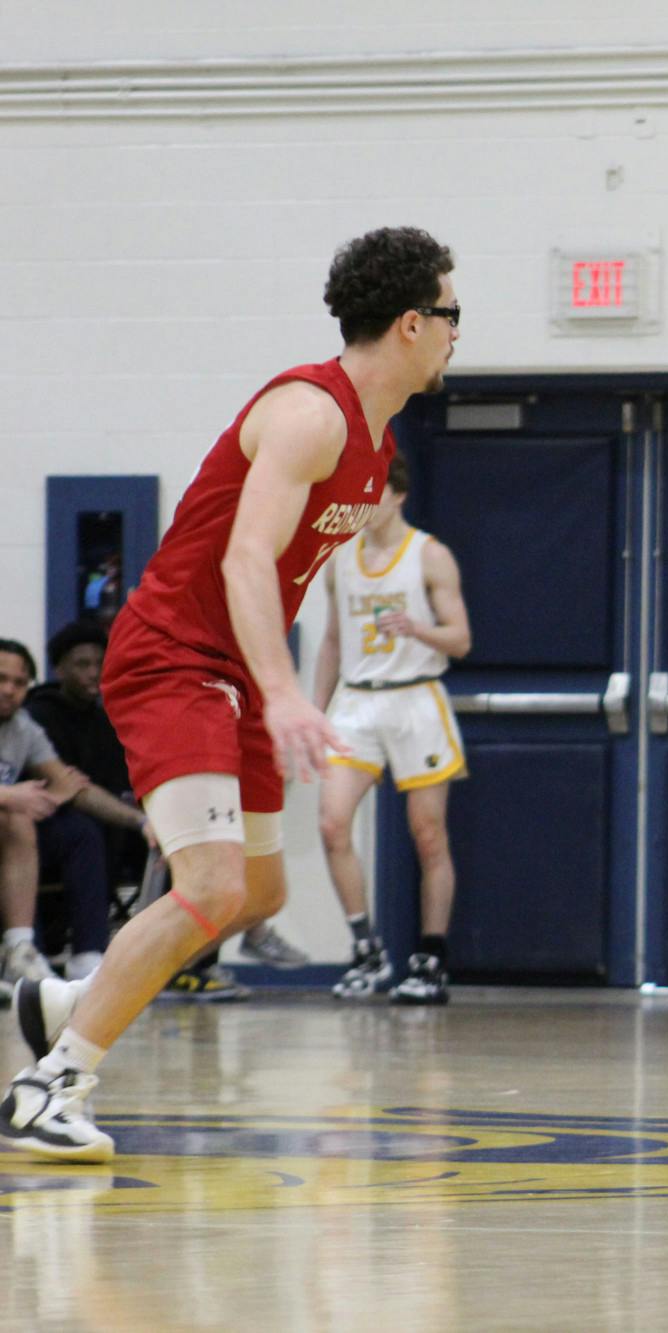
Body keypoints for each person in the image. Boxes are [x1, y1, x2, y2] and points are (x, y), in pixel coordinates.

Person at [2, 226, 458, 1161]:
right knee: (209, 887)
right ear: (412, 323)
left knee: (257, 889)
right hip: (175, 658)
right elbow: (248, 556)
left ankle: (59, 1004)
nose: (460, 332)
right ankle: (48, 1085)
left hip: (237, 673)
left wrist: (270, 686)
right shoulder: (309, 413)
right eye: (453, 314)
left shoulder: (378, 443)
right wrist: (290, 691)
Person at [313, 452, 472, 1005]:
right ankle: (366, 949)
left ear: (398, 495)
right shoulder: (339, 560)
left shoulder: (430, 555)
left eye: (371, 492)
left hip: (415, 701)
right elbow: (333, 640)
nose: (361, 503)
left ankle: (431, 957)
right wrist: (315, 711)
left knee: (427, 834)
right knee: (333, 824)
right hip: (357, 702)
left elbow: (461, 640)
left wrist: (418, 630)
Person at [0, 638, 153, 992]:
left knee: (79, 831)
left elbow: (72, 786)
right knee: (17, 815)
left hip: (10, 832)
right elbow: (37, 794)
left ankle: (86, 956)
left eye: (19, 683)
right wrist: (11, 795)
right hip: (11, 821)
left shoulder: (24, 728)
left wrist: (142, 822)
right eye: (2, 679)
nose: (9, 690)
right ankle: (21, 946)